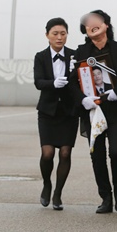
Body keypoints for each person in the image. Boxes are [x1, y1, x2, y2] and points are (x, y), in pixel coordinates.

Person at [71, 10, 117, 213]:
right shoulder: (80, 52)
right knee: (97, 154)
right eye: (87, 23)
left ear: (106, 24)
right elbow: (72, 83)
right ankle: (105, 197)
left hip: (115, 109)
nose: (92, 25)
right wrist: (83, 99)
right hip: (92, 111)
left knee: (116, 151)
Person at [33, 17, 78, 211]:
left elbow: (80, 81)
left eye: (63, 33)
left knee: (66, 152)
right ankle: (47, 184)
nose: (59, 37)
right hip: (47, 111)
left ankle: (58, 194)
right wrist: (53, 83)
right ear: (47, 36)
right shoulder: (41, 56)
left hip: (68, 111)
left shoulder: (75, 55)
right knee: (47, 153)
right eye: (55, 34)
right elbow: (38, 82)